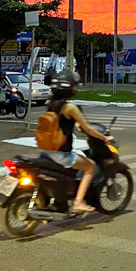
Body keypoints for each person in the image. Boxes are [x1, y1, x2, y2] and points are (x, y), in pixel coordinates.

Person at [41, 70, 113, 213]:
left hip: (46, 152)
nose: (75, 89)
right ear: (68, 88)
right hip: (62, 155)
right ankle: (78, 202)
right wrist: (105, 138)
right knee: (90, 166)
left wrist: (74, 124)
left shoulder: (51, 104)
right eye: (74, 86)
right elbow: (89, 129)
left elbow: (59, 122)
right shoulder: (70, 108)